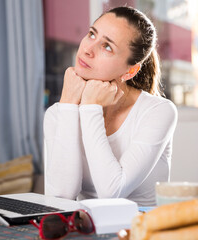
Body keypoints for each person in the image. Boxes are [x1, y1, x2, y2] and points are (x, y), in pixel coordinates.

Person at [43, 6, 178, 206]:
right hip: (86, 231)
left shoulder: (158, 111)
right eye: (91, 34)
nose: (87, 49)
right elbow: (60, 198)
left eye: (107, 46)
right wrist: (69, 104)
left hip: (140, 231)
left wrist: (91, 107)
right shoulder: (59, 112)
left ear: (130, 71)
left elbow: (112, 191)